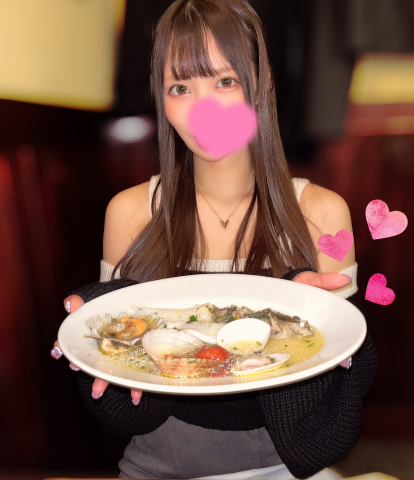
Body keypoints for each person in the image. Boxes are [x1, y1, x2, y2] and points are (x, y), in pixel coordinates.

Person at [51, 1, 377, 478]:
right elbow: (120, 409)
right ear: (161, 100)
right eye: (180, 88)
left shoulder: (321, 214)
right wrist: (102, 343)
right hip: (155, 465)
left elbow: (346, 388)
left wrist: (300, 312)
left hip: (286, 466)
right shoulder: (129, 212)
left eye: (225, 81)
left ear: (261, 84)